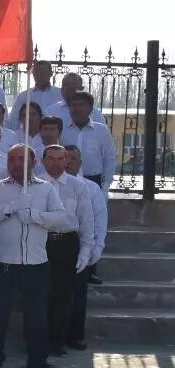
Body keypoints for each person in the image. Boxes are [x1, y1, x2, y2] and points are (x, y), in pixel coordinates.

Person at [0, 144, 68, 368]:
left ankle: (38, 359)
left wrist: (35, 216)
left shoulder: (46, 188)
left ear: (33, 162)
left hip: (35, 262)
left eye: (21, 159)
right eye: (12, 159)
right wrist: (10, 207)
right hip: (3, 262)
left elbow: (61, 217)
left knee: (37, 316)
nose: (16, 164)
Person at [39, 145, 95, 357]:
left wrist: (86, 251)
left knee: (63, 297)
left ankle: (57, 342)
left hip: (68, 244)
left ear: (67, 161)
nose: (55, 163)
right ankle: (37, 342)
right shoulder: (35, 184)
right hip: (41, 242)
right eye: (51, 158)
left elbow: (87, 220)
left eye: (60, 159)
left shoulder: (78, 186)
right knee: (40, 295)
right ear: (43, 161)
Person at [63, 145, 107, 351]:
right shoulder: (48, 185)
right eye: (65, 158)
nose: (68, 162)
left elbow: (100, 219)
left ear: (80, 163)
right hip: (54, 245)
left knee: (78, 295)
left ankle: (75, 336)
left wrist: (96, 248)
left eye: (73, 158)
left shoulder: (91, 188)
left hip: (81, 245)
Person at [61, 91, 115, 190]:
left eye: (81, 105)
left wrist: (106, 186)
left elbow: (109, 158)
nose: (77, 109)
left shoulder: (101, 130)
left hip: (94, 180)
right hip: (66, 181)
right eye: (74, 105)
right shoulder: (62, 130)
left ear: (90, 109)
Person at [9, 61, 63, 129]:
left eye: (43, 72)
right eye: (37, 72)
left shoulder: (60, 94)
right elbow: (14, 120)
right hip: (30, 134)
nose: (40, 75)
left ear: (51, 73)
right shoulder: (23, 96)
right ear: (33, 74)